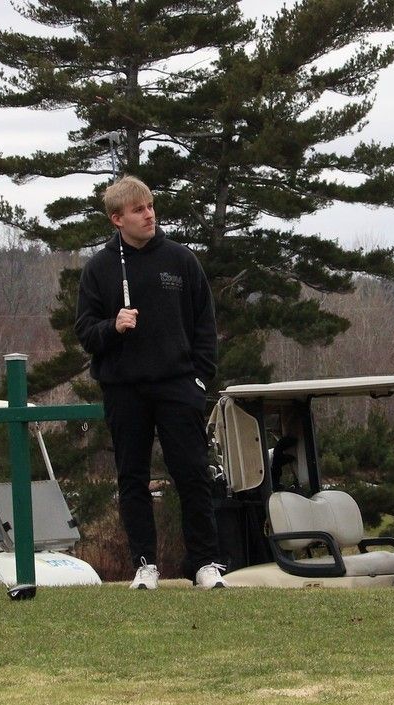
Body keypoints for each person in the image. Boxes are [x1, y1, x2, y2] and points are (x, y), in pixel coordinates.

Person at [76, 175, 228, 589]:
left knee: (192, 474)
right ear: (116, 219)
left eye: (150, 206)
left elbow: (204, 325)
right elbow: (85, 331)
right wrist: (113, 326)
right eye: (138, 210)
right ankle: (145, 564)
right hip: (125, 390)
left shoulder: (181, 261)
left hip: (179, 385)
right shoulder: (99, 269)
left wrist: (199, 379)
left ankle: (206, 563)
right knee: (132, 478)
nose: (149, 215)